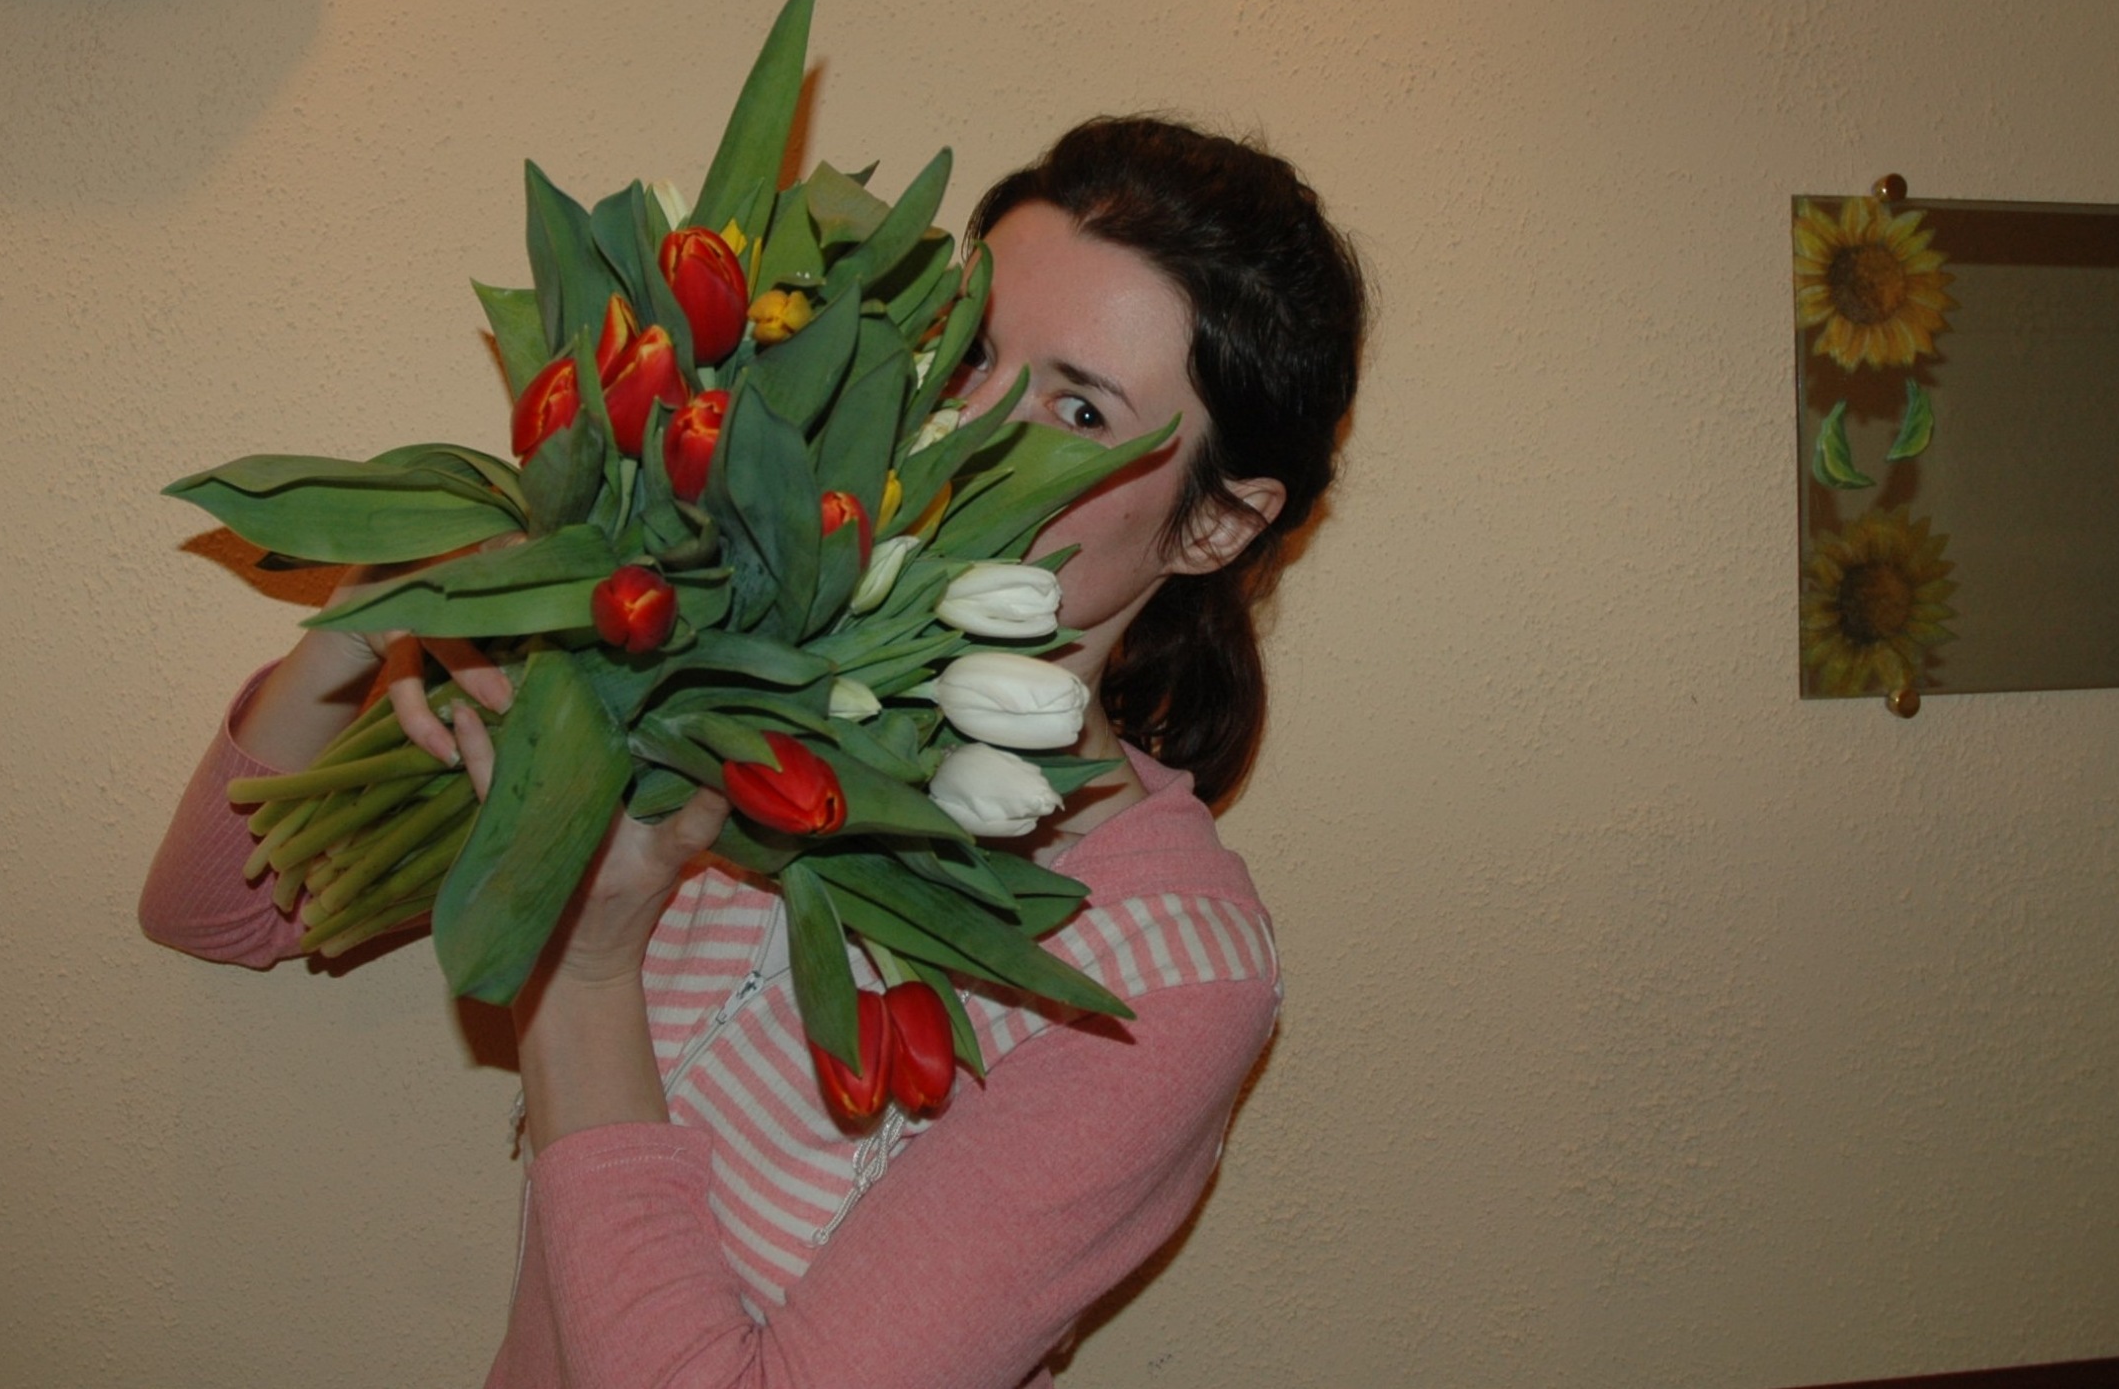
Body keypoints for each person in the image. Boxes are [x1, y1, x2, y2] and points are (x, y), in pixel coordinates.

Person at [140, 115, 1369, 1387]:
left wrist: (584, 970)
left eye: (1077, 408)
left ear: (1216, 525)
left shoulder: (1162, 973)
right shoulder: (721, 656)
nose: (961, 431)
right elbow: (221, 912)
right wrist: (384, 605)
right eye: (968, 356)